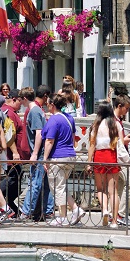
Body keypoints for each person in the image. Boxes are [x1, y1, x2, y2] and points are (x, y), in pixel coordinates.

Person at [42, 93, 86, 227]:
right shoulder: (69, 118)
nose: (47, 106)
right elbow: (73, 139)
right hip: (70, 156)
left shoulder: (54, 120)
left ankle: (62, 218)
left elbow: (49, 141)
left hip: (57, 157)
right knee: (61, 186)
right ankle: (75, 209)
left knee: (57, 187)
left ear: (52, 105)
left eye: (48, 104)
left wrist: (45, 159)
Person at [19, 86, 54, 221]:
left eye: (21, 100)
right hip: (43, 152)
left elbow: (39, 133)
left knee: (35, 182)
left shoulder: (33, 111)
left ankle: (26, 212)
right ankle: (48, 211)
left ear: (25, 98)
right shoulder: (38, 110)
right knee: (44, 183)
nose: (21, 103)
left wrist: (34, 153)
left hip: (39, 153)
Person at [87, 102, 121, 227]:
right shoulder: (116, 124)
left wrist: (89, 162)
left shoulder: (95, 126)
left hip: (99, 157)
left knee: (101, 189)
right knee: (113, 191)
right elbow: (121, 144)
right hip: (112, 157)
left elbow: (92, 145)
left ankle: (105, 210)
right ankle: (115, 221)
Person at [0, 90, 24, 219]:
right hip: (11, 156)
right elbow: (9, 135)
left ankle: (11, 209)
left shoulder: (9, 112)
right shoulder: (9, 113)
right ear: (14, 99)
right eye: (20, 102)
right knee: (13, 179)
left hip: (12, 156)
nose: (22, 105)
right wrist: (15, 153)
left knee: (16, 180)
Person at [114, 94, 130, 227]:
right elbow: (118, 142)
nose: (127, 111)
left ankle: (115, 213)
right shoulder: (115, 122)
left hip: (117, 156)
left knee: (121, 185)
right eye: (126, 109)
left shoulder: (116, 120)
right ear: (119, 106)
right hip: (119, 158)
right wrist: (126, 140)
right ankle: (121, 214)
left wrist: (125, 139)